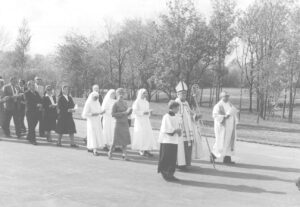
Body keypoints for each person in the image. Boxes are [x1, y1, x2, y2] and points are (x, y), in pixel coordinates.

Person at [175, 81, 201, 170]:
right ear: (177, 94)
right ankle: (179, 164)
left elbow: (190, 113)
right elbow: (175, 115)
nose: (184, 95)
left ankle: (185, 163)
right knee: (180, 147)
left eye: (185, 93)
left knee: (187, 145)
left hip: (188, 128)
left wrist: (195, 116)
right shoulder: (176, 103)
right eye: (182, 93)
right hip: (181, 129)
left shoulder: (186, 103)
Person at [211, 91, 239, 164]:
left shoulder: (230, 105)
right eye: (225, 96)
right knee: (220, 142)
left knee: (229, 142)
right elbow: (215, 116)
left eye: (227, 96)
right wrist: (224, 117)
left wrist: (235, 119)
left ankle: (227, 159)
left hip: (230, 127)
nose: (227, 98)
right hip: (222, 128)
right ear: (221, 97)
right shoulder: (218, 106)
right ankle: (213, 156)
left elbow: (234, 113)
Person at [157, 100, 181, 182]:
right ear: (173, 108)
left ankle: (171, 174)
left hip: (174, 140)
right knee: (166, 158)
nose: (178, 109)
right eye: (177, 108)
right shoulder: (166, 116)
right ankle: (165, 174)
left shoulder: (176, 116)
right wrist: (175, 130)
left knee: (172, 159)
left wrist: (179, 130)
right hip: (167, 140)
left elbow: (178, 126)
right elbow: (166, 128)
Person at [132, 88, 157, 157]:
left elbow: (147, 111)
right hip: (139, 121)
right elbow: (135, 111)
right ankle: (141, 150)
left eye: (145, 93)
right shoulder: (137, 102)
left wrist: (149, 112)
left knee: (147, 134)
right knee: (141, 134)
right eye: (143, 93)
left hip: (146, 120)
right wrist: (143, 112)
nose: (145, 94)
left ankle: (146, 149)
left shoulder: (146, 102)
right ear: (140, 94)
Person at [108, 88, 132, 160]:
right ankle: (110, 152)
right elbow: (113, 114)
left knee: (125, 140)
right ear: (117, 94)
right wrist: (124, 113)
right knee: (115, 140)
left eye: (123, 93)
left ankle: (125, 155)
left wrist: (130, 111)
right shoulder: (115, 103)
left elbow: (127, 114)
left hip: (125, 123)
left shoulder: (125, 103)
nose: (121, 95)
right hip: (118, 123)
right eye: (120, 93)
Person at [82, 91, 105, 156]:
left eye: (97, 97)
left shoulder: (97, 102)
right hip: (91, 121)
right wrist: (92, 114)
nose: (96, 98)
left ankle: (92, 148)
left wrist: (102, 112)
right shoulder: (88, 103)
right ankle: (95, 150)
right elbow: (84, 114)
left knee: (97, 134)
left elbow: (99, 110)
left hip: (97, 121)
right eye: (95, 97)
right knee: (93, 135)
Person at [24, 81, 43, 145]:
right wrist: (37, 104)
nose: (34, 86)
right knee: (31, 126)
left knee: (33, 126)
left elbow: (40, 100)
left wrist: (41, 104)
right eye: (32, 85)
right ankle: (33, 140)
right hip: (30, 112)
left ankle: (29, 136)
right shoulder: (26, 93)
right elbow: (28, 102)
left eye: (34, 85)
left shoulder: (36, 93)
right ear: (28, 86)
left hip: (37, 112)